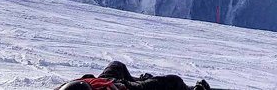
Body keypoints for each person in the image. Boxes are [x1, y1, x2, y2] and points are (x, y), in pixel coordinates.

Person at [55, 60, 210, 90]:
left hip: (111, 82)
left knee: (117, 65)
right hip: (125, 86)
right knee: (173, 81)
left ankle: (142, 80)